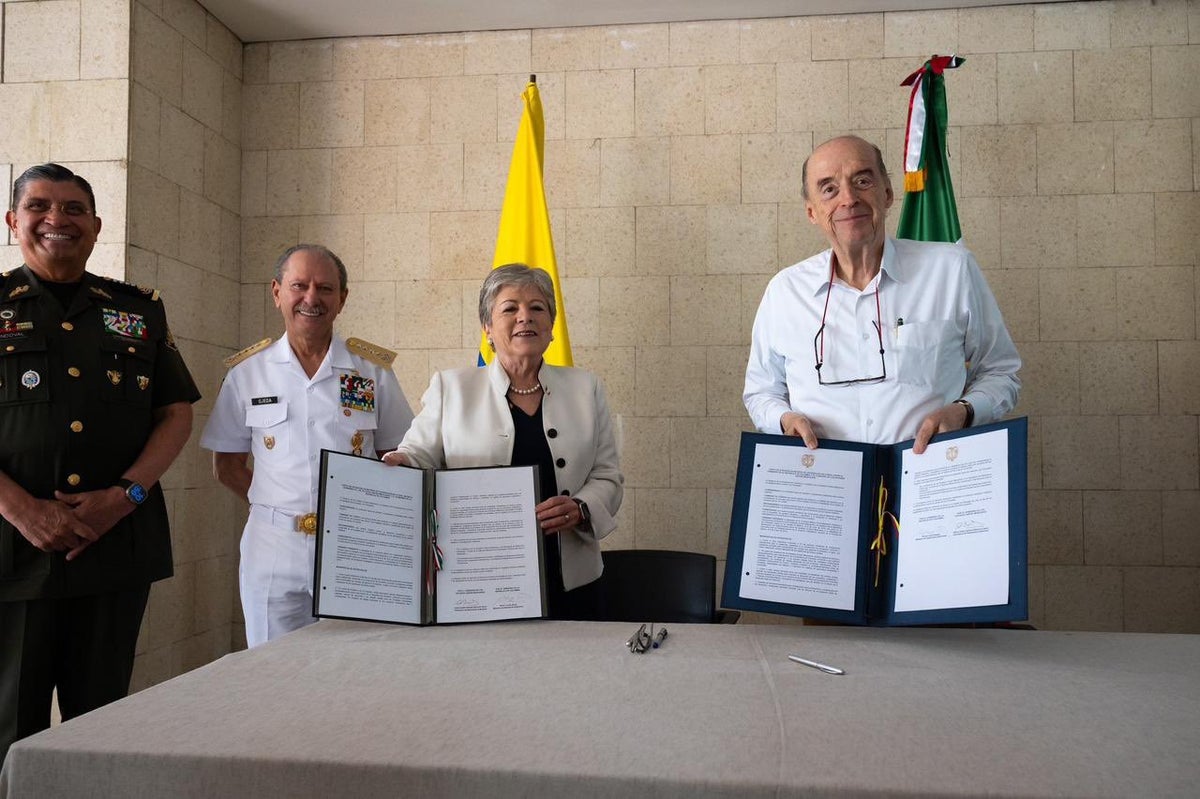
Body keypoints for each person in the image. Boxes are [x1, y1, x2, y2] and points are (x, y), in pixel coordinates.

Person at [0, 164, 199, 761]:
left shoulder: (139, 310)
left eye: (73, 209)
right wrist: (22, 510)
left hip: (114, 547)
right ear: (12, 222)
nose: (56, 219)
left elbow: (175, 414)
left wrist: (125, 496)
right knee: (11, 728)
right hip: (12, 554)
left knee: (103, 725)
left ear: (96, 226)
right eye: (39, 206)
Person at [744, 135, 1020, 452]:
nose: (849, 199)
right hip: (825, 476)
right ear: (811, 212)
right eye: (829, 189)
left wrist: (965, 411)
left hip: (927, 473)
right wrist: (783, 419)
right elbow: (761, 392)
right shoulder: (785, 292)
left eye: (862, 181)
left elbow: (1001, 372)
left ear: (887, 193)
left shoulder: (951, 270)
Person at [200, 245, 413, 647]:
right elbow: (226, 466)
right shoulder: (249, 373)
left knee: (354, 664)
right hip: (273, 548)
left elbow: (398, 457)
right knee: (272, 669)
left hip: (354, 546)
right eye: (299, 286)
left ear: (342, 299)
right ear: (277, 292)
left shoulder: (372, 372)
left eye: (325, 288)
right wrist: (275, 505)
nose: (311, 298)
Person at [383, 264, 623, 619]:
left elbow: (607, 476)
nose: (525, 317)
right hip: (479, 578)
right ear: (487, 327)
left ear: (551, 326)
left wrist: (581, 507)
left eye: (537, 307)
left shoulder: (586, 388)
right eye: (510, 308)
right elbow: (417, 453)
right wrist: (399, 463)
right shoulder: (452, 388)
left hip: (572, 578)